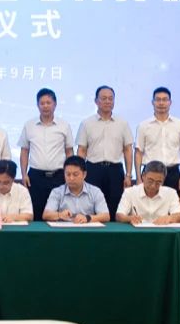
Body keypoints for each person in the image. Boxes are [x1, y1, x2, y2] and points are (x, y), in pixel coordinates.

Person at [76, 85, 133, 219]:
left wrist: (129, 175)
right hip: (93, 169)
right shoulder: (86, 123)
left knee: (114, 206)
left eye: (110, 98)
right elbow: (82, 150)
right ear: (96, 101)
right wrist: (79, 173)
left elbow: (128, 150)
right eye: (104, 98)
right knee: (92, 206)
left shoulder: (122, 123)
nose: (107, 101)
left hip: (115, 170)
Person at [19, 87, 75, 219]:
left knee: (59, 213)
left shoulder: (64, 125)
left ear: (55, 104)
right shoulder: (29, 125)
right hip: (36, 177)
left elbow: (69, 151)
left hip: (58, 176)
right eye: (42, 103)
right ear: (37, 105)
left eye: (48, 103)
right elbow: (24, 151)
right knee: (37, 213)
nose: (45, 106)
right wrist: (23, 174)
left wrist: (70, 174)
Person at [135, 87, 180, 194]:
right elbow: (138, 152)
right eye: (158, 99)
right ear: (152, 102)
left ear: (170, 102)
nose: (161, 103)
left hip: (172, 173)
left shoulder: (179, 124)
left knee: (172, 204)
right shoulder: (143, 126)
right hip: (150, 172)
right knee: (148, 204)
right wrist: (138, 178)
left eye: (165, 100)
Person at [42, 156, 109, 224]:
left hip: (86, 228)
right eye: (68, 174)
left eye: (75, 174)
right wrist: (60, 215)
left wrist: (87, 218)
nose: (71, 178)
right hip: (64, 229)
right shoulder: (57, 192)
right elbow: (46, 215)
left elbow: (106, 216)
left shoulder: (95, 192)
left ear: (84, 174)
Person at [117, 161, 180, 225]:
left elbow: (179, 216)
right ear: (143, 176)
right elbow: (119, 215)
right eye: (150, 181)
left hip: (161, 230)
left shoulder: (171, 193)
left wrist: (170, 218)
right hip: (138, 230)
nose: (153, 186)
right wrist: (130, 218)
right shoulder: (130, 192)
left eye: (158, 182)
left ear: (163, 180)